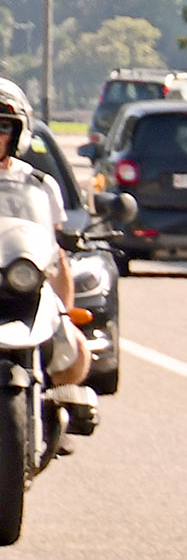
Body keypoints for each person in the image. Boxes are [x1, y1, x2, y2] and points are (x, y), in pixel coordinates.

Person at [0, 78, 88, 424]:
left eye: (3, 127)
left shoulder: (38, 183)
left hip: (21, 280)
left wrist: (66, 312)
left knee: (76, 351)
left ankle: (52, 405)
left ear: (19, 132)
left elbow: (56, 252)